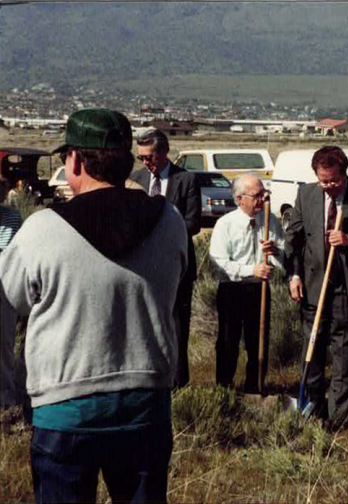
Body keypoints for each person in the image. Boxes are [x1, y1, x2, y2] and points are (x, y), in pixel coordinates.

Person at [0, 109, 188, 503]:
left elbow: (11, 297)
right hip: (146, 402)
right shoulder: (169, 222)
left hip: (65, 408)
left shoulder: (43, 229)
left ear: (76, 161)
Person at [284, 145, 348, 423]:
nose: (328, 186)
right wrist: (294, 275)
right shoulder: (306, 194)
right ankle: (312, 408)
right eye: (323, 180)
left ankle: (338, 415)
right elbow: (294, 241)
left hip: (346, 289)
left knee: (345, 353)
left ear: (345, 173)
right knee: (312, 349)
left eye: (334, 181)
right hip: (313, 286)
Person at [131, 129, 201, 389]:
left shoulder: (186, 180)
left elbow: (193, 223)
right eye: (141, 158)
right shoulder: (136, 179)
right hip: (143, 265)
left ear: (164, 153)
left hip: (177, 265)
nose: (146, 163)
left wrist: (160, 225)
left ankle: (178, 384)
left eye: (149, 157)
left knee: (177, 327)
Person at [209, 173, 284, 393]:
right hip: (232, 290)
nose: (263, 200)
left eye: (264, 194)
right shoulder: (225, 224)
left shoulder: (271, 221)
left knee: (258, 341)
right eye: (257, 195)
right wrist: (251, 270)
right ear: (240, 198)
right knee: (228, 341)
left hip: (259, 289)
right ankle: (224, 389)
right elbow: (219, 264)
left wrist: (275, 252)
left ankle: (255, 388)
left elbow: (283, 255)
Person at [0, 176, 23, 409]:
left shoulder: (13, 219)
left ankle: (6, 403)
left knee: (4, 348)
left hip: (3, 293)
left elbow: (18, 256)